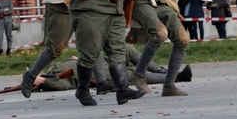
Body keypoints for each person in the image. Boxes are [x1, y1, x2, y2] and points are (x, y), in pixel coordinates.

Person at [34, 49, 193, 93]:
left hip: (100, 62)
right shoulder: (53, 79)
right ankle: (177, 77)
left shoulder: (54, 68)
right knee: (135, 74)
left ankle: (162, 70)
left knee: (127, 50)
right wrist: (43, 81)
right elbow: (68, 80)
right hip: (101, 74)